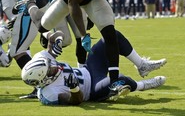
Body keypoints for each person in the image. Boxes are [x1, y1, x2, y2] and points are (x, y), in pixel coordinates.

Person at [14, 0, 175, 100]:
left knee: (110, 33)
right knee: (43, 27)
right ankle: (30, 5)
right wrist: (84, 34)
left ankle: (118, 79)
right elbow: (73, 3)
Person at [21, 30, 167, 105]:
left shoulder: (41, 61)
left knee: (111, 37)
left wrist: (55, 38)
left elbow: (52, 39)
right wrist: (74, 89)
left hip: (89, 69)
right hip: (92, 89)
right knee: (120, 81)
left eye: (49, 65)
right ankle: (144, 85)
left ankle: (141, 65)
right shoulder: (49, 94)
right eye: (50, 70)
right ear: (43, 80)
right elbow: (75, 101)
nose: (53, 65)